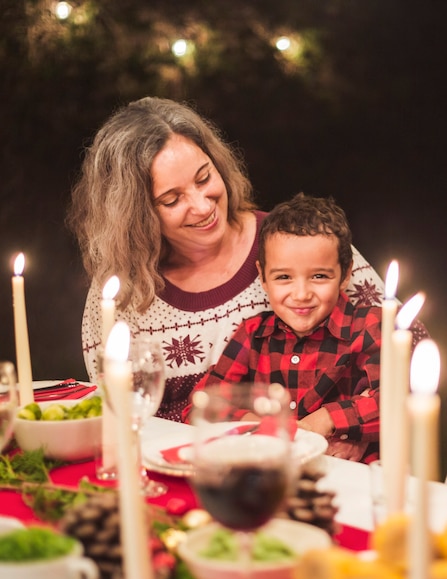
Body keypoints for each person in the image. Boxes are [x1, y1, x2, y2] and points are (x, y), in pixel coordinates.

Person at [67, 96, 388, 424]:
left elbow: (404, 354)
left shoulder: (297, 246)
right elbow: (119, 410)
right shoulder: (120, 292)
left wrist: (343, 430)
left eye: (204, 178)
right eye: (172, 199)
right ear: (136, 215)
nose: (203, 206)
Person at [184, 192, 426, 463]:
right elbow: (201, 404)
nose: (301, 294)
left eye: (319, 276)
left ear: (345, 274)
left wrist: (326, 420)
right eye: (284, 277)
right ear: (263, 277)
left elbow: (401, 400)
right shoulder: (253, 334)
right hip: (270, 475)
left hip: (355, 480)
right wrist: (264, 426)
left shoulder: (371, 326)